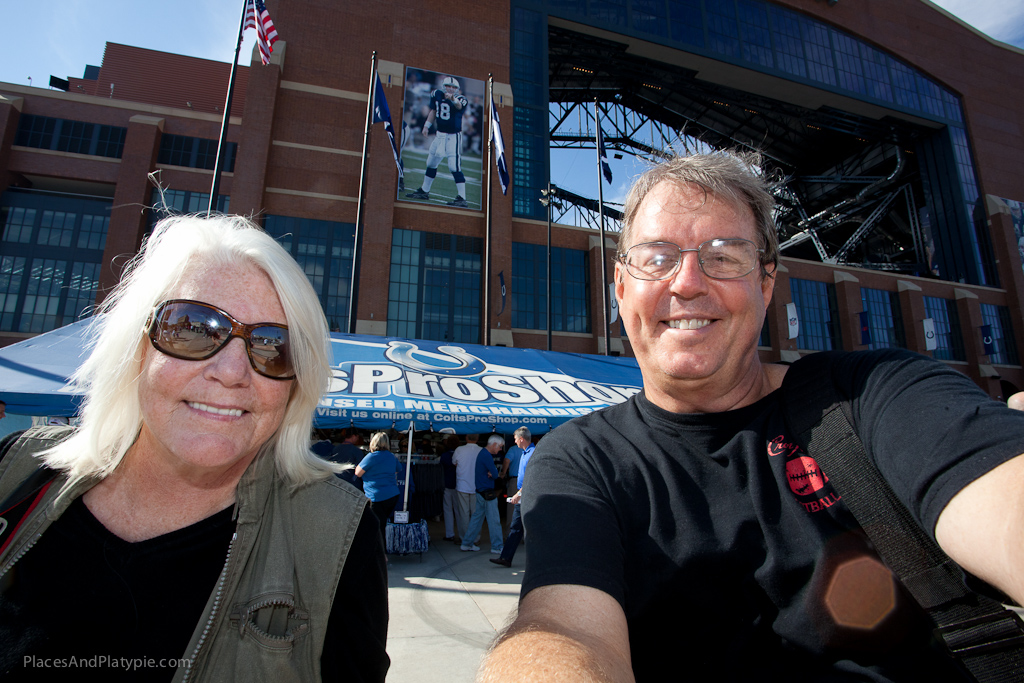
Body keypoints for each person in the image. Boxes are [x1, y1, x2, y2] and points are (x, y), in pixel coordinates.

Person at [479, 152, 1024, 682]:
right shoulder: (581, 460)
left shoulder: (875, 393)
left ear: (765, 286)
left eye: (723, 256)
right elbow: (563, 628)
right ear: (622, 289)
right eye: (657, 257)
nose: (687, 283)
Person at [0, 214, 389, 682]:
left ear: (293, 385)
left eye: (272, 345)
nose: (231, 371)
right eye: (193, 327)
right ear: (136, 347)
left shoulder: (336, 535)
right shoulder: (16, 471)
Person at [405, 75, 471, 208]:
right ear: (443, 86)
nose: (451, 89)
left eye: (454, 87)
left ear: (457, 89)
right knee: (430, 163)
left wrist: (452, 99)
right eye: (448, 86)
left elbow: (458, 106)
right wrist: (426, 125)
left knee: (454, 166)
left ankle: (462, 198)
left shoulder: (461, 99)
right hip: (439, 135)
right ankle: (424, 191)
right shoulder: (436, 94)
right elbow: (433, 111)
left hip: (453, 137)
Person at [490, 427, 534, 568]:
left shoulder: (532, 453)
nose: (514, 441)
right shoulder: (525, 452)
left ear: (521, 439)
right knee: (516, 527)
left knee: (528, 528)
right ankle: (505, 557)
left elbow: (531, 479)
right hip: (523, 495)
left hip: (527, 495)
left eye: (515, 439)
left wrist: (518, 493)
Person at [460, 434, 504, 554]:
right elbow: (495, 474)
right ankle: (497, 546)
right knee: (494, 520)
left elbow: (493, 473)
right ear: (494, 444)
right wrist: (493, 473)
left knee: (477, 519)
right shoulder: (486, 455)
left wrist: (492, 472)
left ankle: (467, 543)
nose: (500, 449)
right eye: (500, 446)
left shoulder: (483, 454)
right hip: (487, 492)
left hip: (480, 491)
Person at [355, 432, 401, 543]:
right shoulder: (391, 456)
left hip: (376, 496)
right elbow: (398, 469)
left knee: (375, 528)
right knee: (381, 524)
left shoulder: (371, 457)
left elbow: (358, 473)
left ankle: (380, 555)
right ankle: (381, 553)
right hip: (392, 495)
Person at [451, 433, 480, 543]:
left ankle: (464, 538)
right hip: (476, 486)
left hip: (462, 485)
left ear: (466, 438)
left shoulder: (459, 449)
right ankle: (475, 538)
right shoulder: (481, 450)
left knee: (463, 513)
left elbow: (454, 462)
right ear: (477, 438)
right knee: (476, 514)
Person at [439, 434, 461, 542]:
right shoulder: (461, 454)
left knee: (447, 510)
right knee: (459, 511)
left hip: (447, 484)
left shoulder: (444, 456)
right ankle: (461, 533)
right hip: (459, 484)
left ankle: (449, 534)